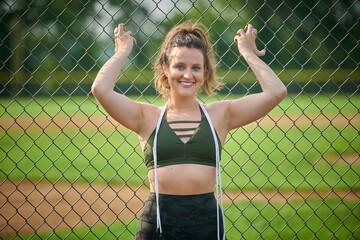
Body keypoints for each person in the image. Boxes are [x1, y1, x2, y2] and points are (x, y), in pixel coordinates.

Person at [92, 20, 287, 240]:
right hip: (158, 223)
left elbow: (276, 92)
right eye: (180, 66)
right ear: (165, 68)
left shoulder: (220, 115)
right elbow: (100, 89)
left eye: (196, 68)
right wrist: (123, 51)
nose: (187, 75)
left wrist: (247, 52)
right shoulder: (146, 117)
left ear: (205, 71)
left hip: (206, 223)